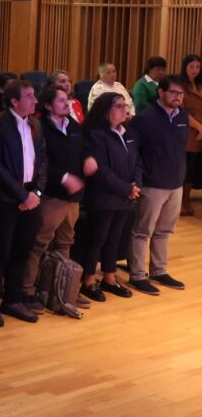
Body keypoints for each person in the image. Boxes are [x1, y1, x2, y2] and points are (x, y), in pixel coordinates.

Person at [0, 80, 47, 326]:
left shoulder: (35, 124)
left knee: (23, 250)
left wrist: (36, 192)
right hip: (6, 199)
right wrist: (22, 196)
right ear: (14, 101)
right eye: (29, 96)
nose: (35, 100)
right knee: (1, 251)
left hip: (30, 197)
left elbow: (42, 162)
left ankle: (13, 299)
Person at [21, 85, 91, 313]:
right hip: (51, 195)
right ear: (49, 105)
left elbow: (82, 150)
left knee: (66, 242)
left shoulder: (73, 125)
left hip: (73, 196)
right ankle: (28, 291)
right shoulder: (40, 128)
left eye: (67, 99)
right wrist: (63, 177)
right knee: (39, 243)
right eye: (61, 100)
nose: (66, 103)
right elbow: (38, 164)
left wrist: (89, 159)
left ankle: (62, 287)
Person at [127, 76, 193, 294]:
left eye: (181, 94)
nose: (178, 97)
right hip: (152, 184)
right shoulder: (145, 118)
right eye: (174, 92)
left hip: (175, 184)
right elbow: (133, 151)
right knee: (142, 231)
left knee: (164, 231)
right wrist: (138, 178)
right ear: (160, 92)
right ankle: (137, 274)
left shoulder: (182, 117)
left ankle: (159, 270)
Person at [80, 92, 140, 302]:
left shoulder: (128, 133)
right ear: (106, 112)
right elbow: (102, 170)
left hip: (125, 197)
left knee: (115, 239)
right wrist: (126, 188)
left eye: (125, 106)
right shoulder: (97, 135)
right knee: (97, 239)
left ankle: (109, 276)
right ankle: (88, 279)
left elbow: (137, 162)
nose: (125, 110)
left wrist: (135, 185)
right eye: (119, 106)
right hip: (104, 197)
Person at [181, 54, 202, 216]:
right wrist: (200, 128)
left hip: (200, 131)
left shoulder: (200, 85)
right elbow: (182, 113)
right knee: (186, 167)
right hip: (188, 130)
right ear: (185, 68)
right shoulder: (180, 86)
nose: (194, 70)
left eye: (197, 67)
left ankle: (186, 199)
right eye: (191, 67)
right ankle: (181, 202)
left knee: (194, 169)